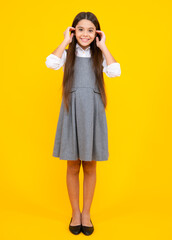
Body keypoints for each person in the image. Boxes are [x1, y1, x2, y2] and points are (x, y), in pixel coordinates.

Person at [45, 11, 121, 235]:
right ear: (73, 31)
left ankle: (86, 213)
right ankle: (75, 212)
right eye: (80, 29)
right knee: (72, 165)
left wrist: (103, 46)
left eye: (90, 30)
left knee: (89, 165)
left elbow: (115, 71)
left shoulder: (99, 56)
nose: (85, 34)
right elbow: (51, 63)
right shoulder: (68, 54)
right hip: (72, 111)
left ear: (96, 33)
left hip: (93, 113)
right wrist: (64, 41)